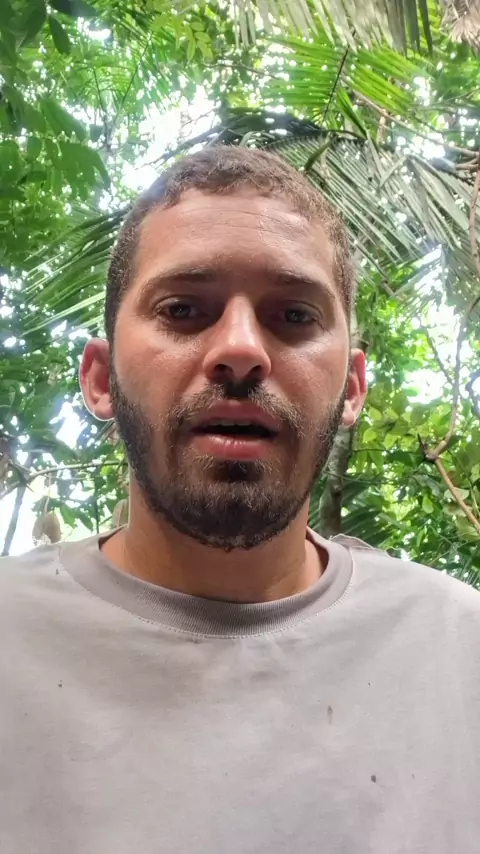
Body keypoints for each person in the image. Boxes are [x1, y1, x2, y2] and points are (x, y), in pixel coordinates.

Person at [1, 147, 479, 854]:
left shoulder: (460, 654)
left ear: (352, 387)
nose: (240, 349)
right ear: (101, 379)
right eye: (182, 310)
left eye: (293, 315)